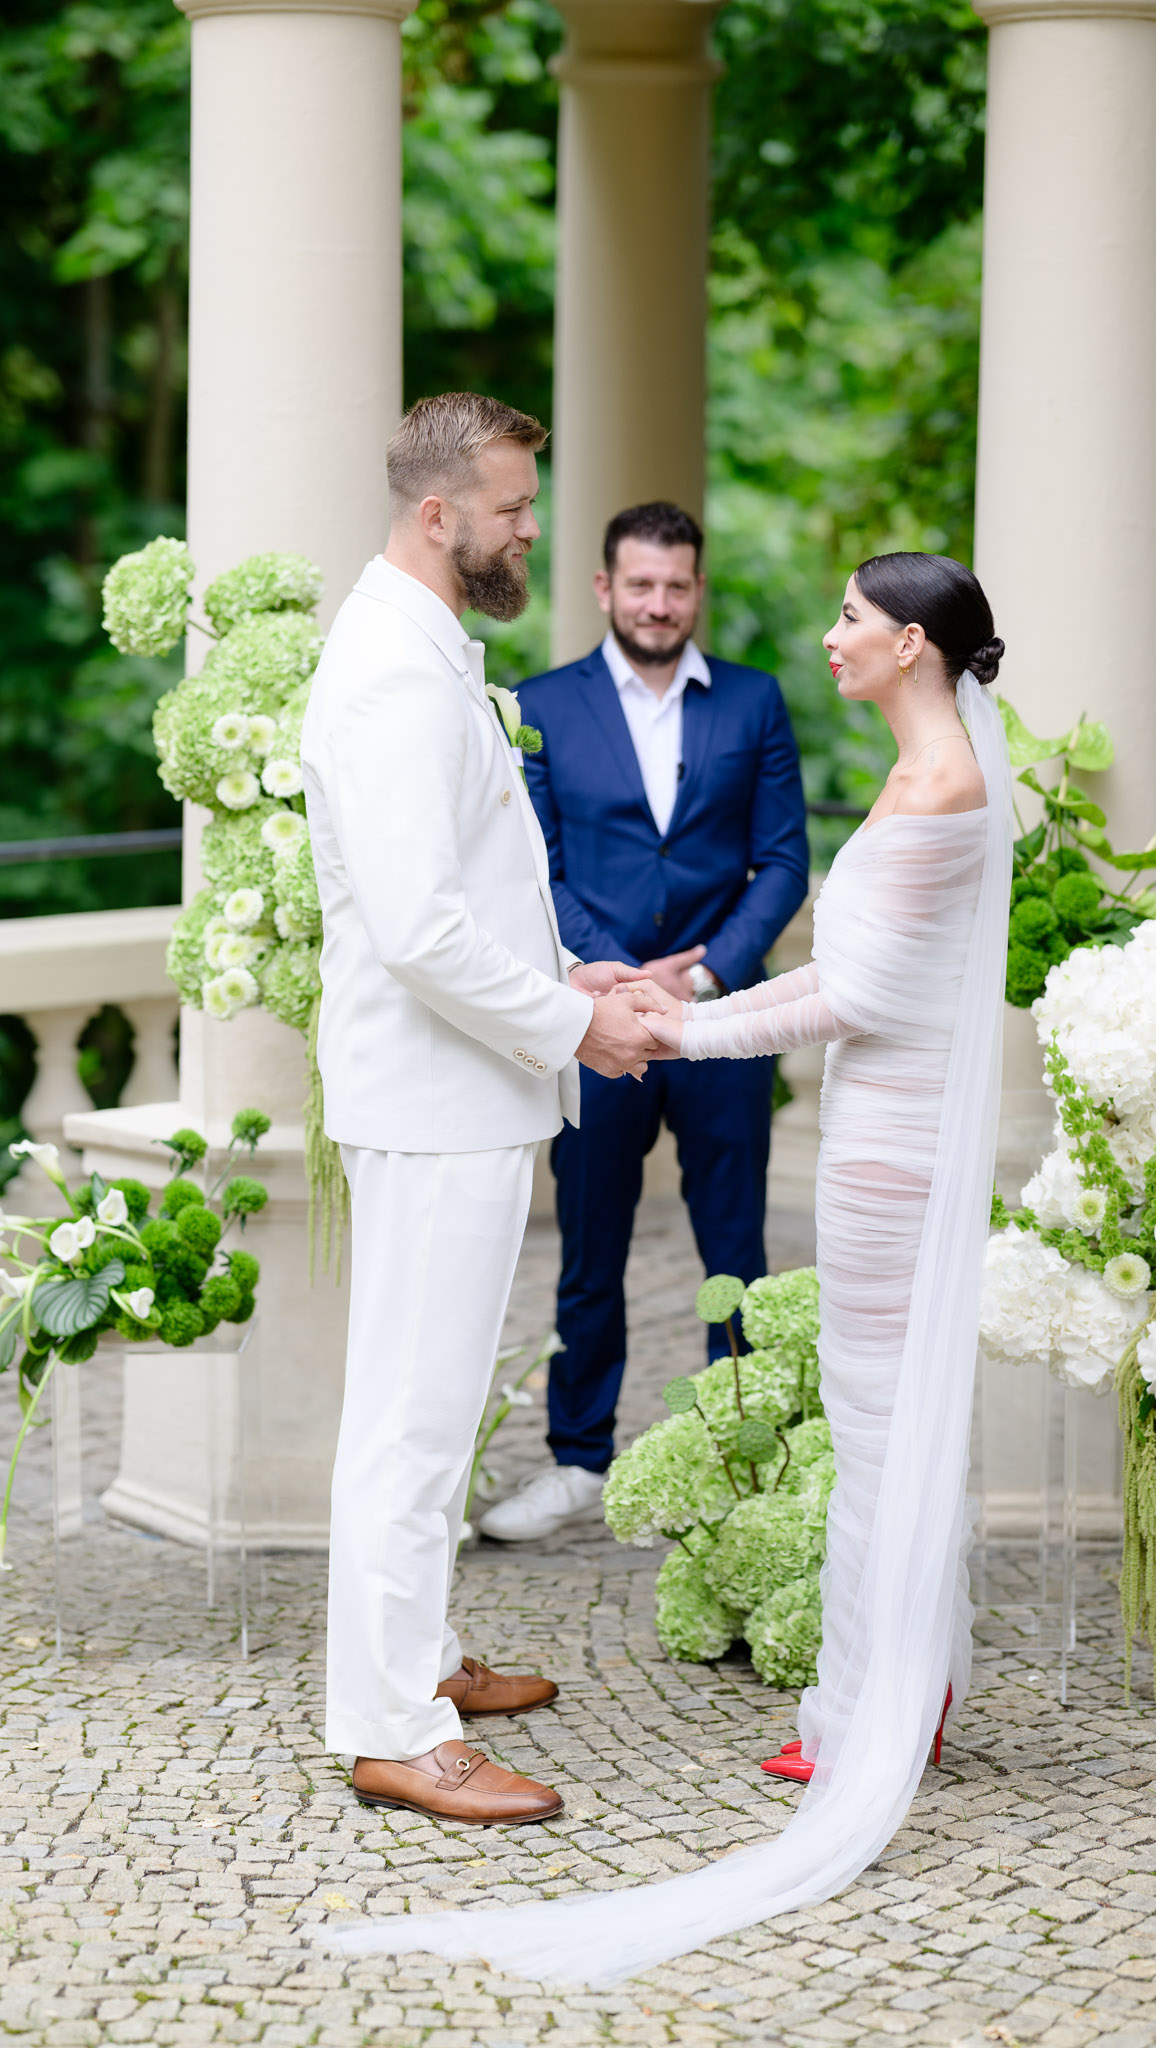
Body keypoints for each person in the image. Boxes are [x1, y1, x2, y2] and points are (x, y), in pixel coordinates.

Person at [324, 551, 1013, 1978]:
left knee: (880, 1428)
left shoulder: (939, 784)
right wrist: (600, 998)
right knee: (871, 1421)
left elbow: (864, 989)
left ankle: (881, 1712)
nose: (829, 639)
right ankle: (884, 1698)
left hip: (878, 1140)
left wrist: (667, 1026)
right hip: (844, 1113)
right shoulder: (917, 764)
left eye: (853, 622)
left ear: (917, 648)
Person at [301, 391, 657, 1828]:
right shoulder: (388, 669)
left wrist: (573, 967)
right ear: (438, 513)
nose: (528, 530)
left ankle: (429, 1658)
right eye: (512, 507)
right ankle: (390, 1727)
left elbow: (471, 895)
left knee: (439, 1408)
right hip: (435, 1097)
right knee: (411, 1417)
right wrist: (579, 1023)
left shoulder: (432, 650)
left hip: (469, 1090)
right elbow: (417, 934)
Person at [478, 502, 808, 1543]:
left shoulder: (753, 703)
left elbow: (785, 859)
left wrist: (708, 972)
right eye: (641, 584)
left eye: (677, 586)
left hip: (719, 1022)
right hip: (600, 1021)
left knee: (735, 1248)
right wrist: (603, 977)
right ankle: (578, 1460)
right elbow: (538, 866)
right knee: (591, 1246)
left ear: (696, 591)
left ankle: (740, 1461)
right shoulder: (542, 703)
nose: (659, 603)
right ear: (604, 589)